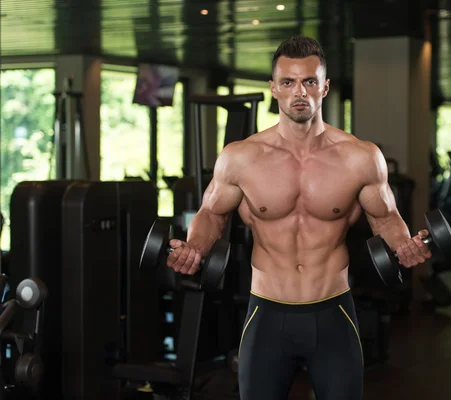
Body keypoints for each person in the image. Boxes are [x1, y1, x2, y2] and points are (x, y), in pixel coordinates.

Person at [166, 35, 432, 400]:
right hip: (267, 315)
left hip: (333, 312)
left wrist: (405, 246)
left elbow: (385, 218)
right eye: (288, 82)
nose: (299, 92)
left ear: (324, 86)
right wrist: (195, 248)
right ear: (273, 88)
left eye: (309, 81)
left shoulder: (361, 157)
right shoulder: (241, 157)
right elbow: (212, 213)